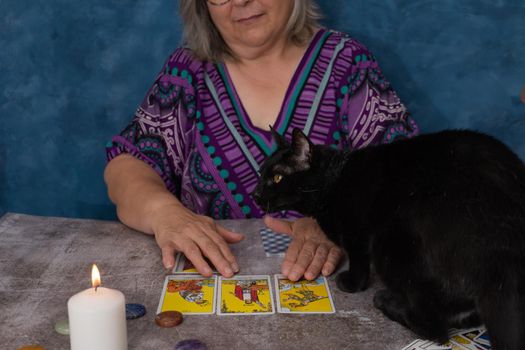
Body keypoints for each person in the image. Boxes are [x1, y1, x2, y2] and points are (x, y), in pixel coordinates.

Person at [104, 0, 418, 282]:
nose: (241, 1)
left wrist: (336, 221)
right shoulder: (188, 71)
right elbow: (126, 168)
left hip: (336, 292)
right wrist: (165, 213)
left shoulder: (347, 63)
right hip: (212, 287)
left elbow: (409, 174)